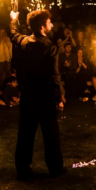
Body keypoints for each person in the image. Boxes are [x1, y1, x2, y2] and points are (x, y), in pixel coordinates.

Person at [10, 9, 65, 179]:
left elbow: (14, 34)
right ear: (42, 27)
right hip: (45, 96)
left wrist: (13, 19)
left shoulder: (25, 41)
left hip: (27, 95)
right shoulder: (50, 47)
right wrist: (59, 97)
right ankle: (55, 168)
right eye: (49, 22)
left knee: (26, 133)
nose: (51, 24)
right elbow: (54, 75)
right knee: (51, 134)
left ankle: (23, 169)